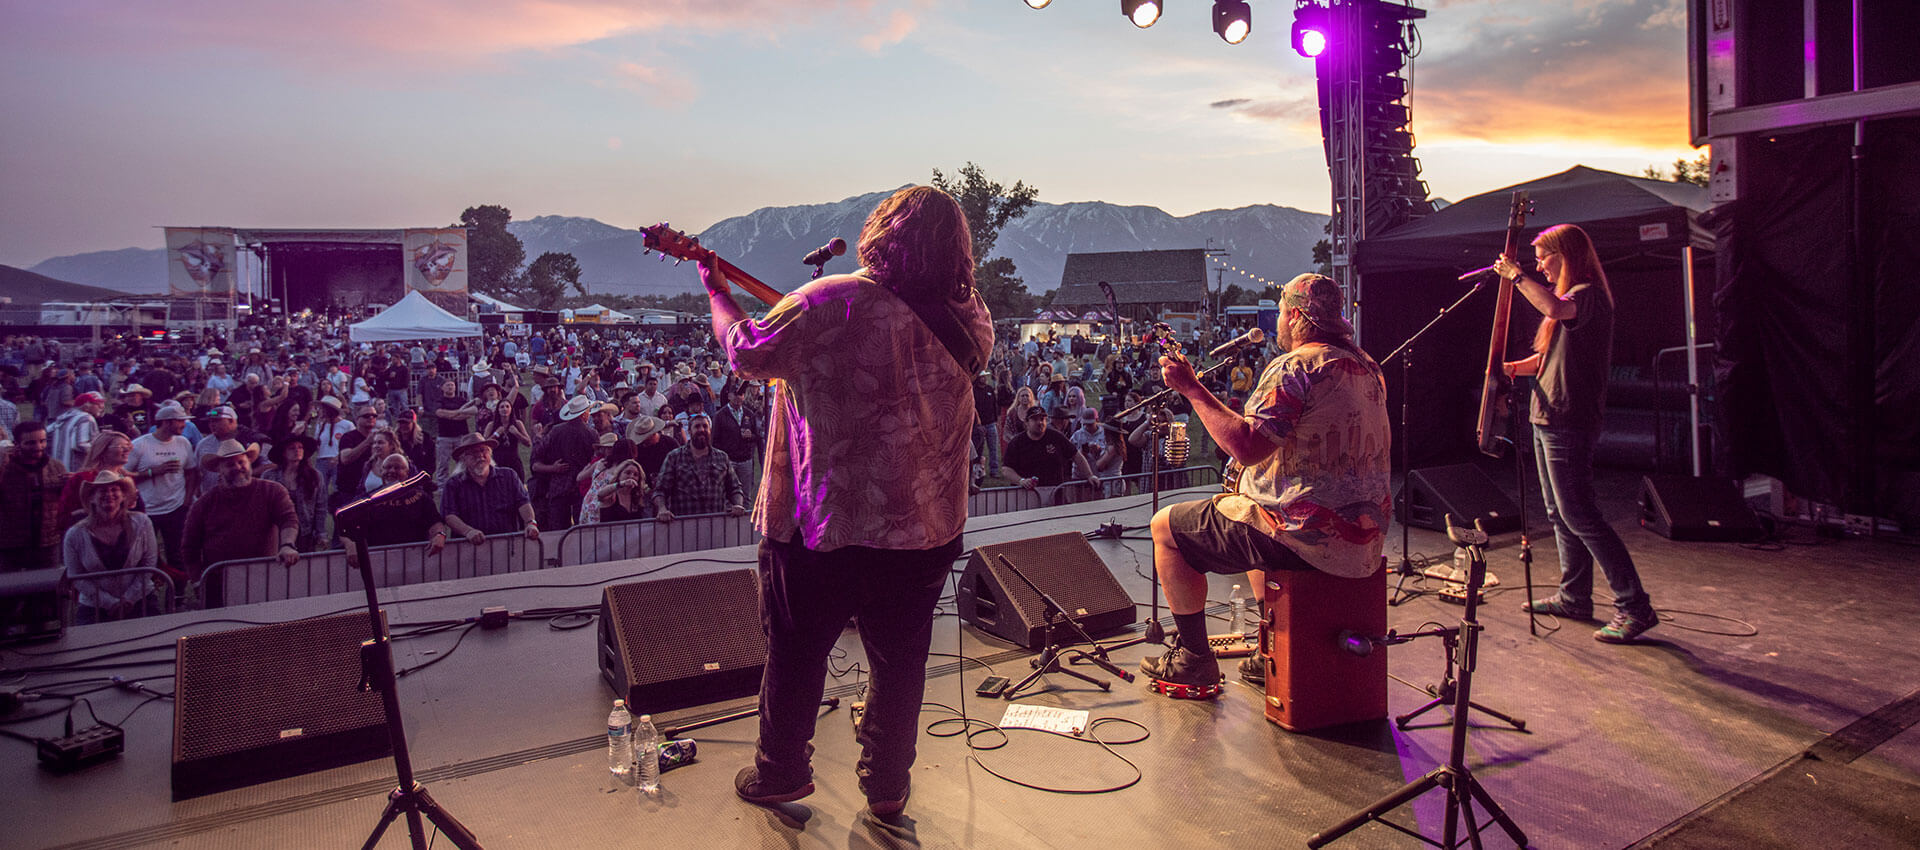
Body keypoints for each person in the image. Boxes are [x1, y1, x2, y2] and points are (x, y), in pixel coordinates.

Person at [696, 185, 991, 817]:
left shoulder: (830, 300)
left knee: (798, 649)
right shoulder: (971, 313)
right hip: (925, 524)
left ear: (881, 233)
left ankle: (780, 772)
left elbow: (746, 350)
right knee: (903, 658)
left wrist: (718, 291)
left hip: (823, 522)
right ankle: (887, 785)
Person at [1135, 274, 1391, 692]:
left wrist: (1191, 389)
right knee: (1249, 506)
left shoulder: (1297, 366)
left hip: (1308, 536)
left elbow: (1246, 446)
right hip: (1366, 538)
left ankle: (1194, 659)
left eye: (1279, 315)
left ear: (1292, 315)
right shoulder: (1367, 366)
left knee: (1165, 527)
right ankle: (1267, 652)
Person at [1492, 223, 1657, 643]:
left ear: (1566, 254)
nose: (1540, 267)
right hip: (1547, 416)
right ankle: (1574, 597)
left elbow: (1552, 308)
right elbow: (1543, 360)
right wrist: (1506, 368)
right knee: (1559, 514)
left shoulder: (1587, 297)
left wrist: (1515, 276)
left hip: (1569, 419)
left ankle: (1635, 606)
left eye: (1544, 258)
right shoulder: (1568, 303)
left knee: (1580, 513)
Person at [180, 440, 299, 608]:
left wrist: (287, 544)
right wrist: (198, 581)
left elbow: (288, 518)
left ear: (249, 462)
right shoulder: (204, 502)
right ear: (219, 470)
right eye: (230, 464)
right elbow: (189, 546)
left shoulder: (272, 491)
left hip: (263, 577)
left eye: (241, 462)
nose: (237, 467)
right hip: (219, 584)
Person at [61, 470, 161, 624]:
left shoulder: (142, 522)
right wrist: (110, 603)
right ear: (92, 498)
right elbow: (75, 576)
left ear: (123, 496)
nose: (109, 494)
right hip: (94, 607)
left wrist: (129, 598)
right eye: (102, 490)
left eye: (114, 489)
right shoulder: (75, 534)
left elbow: (149, 564)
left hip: (141, 600)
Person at [1, 422, 70, 635]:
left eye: (42, 441)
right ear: (17, 444)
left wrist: (68, 486)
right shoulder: (6, 467)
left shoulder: (56, 466)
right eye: (30, 443)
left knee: (46, 592)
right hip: (9, 542)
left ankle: (43, 632)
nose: (38, 447)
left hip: (46, 541)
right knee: (8, 592)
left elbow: (66, 503)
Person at [338, 453, 449, 564]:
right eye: (387, 467)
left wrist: (440, 535)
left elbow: (435, 522)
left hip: (414, 561)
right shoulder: (367, 499)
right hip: (377, 562)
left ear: (407, 473)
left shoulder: (421, 498)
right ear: (381, 472)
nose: (391, 471)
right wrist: (349, 544)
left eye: (397, 467)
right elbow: (344, 527)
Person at [126, 402, 196, 571]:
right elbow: (123, 475)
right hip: (147, 510)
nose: (184, 424)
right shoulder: (140, 444)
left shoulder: (183, 442)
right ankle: (145, 592)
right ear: (166, 422)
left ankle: (178, 595)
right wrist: (152, 472)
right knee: (142, 555)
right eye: (179, 421)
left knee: (177, 554)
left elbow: (192, 472)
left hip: (176, 508)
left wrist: (186, 499)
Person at [439, 433, 540, 542]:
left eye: (483, 450)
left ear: (490, 453)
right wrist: (468, 531)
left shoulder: (509, 476)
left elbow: (523, 502)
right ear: (463, 459)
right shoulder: (454, 484)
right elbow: (449, 515)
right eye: (473, 453)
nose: (480, 456)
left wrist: (530, 523)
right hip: (468, 548)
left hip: (506, 545)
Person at [649, 414, 746, 523]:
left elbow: (735, 488)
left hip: (716, 525)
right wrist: (662, 509)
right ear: (689, 431)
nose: (701, 430)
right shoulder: (674, 457)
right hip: (683, 526)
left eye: (705, 426)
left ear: (710, 430)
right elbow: (660, 491)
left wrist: (738, 505)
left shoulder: (722, 457)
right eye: (697, 426)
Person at [530, 395, 598, 530]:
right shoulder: (592, 434)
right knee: (581, 529)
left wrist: (538, 437)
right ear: (584, 413)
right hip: (582, 487)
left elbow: (537, 454)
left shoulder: (556, 431)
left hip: (559, 486)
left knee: (559, 529)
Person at [55, 430, 137, 540]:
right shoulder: (83, 479)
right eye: (121, 446)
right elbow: (64, 516)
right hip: (89, 539)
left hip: (124, 539)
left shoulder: (126, 479)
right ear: (103, 450)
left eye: (128, 446)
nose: (127, 450)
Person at [1000, 405, 1098, 491]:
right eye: (1035, 419)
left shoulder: (1056, 437)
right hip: (1025, 495)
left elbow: (1076, 456)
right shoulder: (1017, 442)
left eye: (1042, 419)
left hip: (1054, 492)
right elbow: (1006, 469)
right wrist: (1021, 481)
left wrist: (1089, 475)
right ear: (1026, 422)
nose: (1039, 422)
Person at [260, 435, 326, 552]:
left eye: (300, 447)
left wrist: (321, 533)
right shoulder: (269, 476)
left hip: (305, 530)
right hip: (277, 530)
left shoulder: (314, 476)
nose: (297, 450)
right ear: (284, 453)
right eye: (292, 448)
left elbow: (320, 506)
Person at [48, 391, 104, 473]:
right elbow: (81, 445)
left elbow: (47, 433)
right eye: (97, 404)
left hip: (59, 468)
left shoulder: (62, 418)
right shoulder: (86, 418)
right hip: (75, 470)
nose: (101, 407)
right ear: (86, 406)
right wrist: (102, 450)